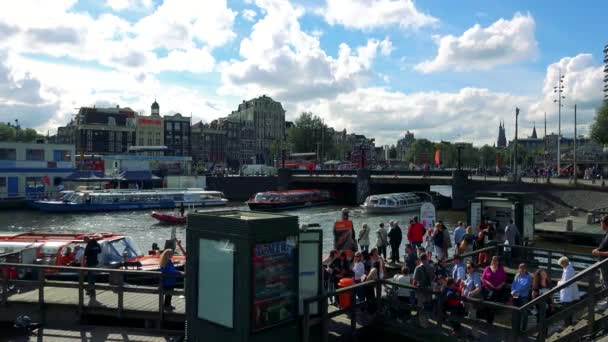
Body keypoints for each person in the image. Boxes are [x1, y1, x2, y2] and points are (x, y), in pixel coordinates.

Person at [481, 256, 507, 324]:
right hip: (488, 289)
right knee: (488, 303)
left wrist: (500, 285)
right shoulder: (487, 268)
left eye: (495, 260)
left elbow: (504, 280)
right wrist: (489, 284)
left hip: (497, 290)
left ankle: (490, 320)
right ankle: (488, 319)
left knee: (491, 304)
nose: (494, 261)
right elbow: (483, 278)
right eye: (493, 260)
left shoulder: (501, 269)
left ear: (498, 262)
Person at [558, 257, 580, 326]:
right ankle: (568, 323)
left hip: (567, 293)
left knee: (566, 309)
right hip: (569, 292)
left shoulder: (568, 270)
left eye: (561, 265)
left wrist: (558, 283)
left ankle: (567, 324)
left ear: (564, 263)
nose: (561, 266)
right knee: (568, 309)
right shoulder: (567, 269)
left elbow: (565, 283)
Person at [413, 253, 435, 323]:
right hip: (429, 288)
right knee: (428, 303)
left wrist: (414, 287)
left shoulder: (418, 268)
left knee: (421, 304)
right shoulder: (431, 267)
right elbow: (433, 278)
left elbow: (415, 280)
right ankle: (429, 318)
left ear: (420, 259)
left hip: (421, 288)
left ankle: (422, 320)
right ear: (426, 259)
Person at [511, 263, 532, 331]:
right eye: (520, 268)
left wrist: (515, 291)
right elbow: (513, 284)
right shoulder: (517, 275)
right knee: (516, 312)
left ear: (526, 269)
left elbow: (525, 286)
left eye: (523, 268)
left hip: (523, 296)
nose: (521, 269)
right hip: (516, 295)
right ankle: (516, 327)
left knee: (524, 313)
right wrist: (512, 290)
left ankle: (523, 328)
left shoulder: (528, 277)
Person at [592, 216, 608, 289]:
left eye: (601, 223)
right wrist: (598, 249)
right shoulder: (606, 234)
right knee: (603, 281)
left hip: (606, 265)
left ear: (605, 224)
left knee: (606, 283)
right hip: (603, 264)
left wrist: (598, 253)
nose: (600, 225)